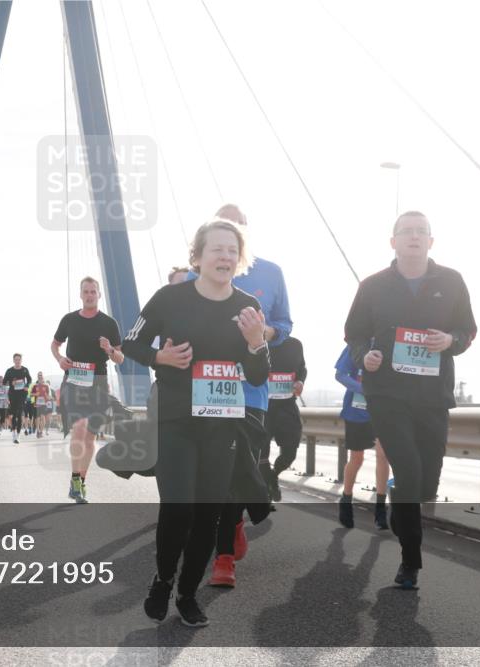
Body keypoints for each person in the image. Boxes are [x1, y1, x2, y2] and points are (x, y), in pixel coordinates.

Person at [123, 219, 270, 627]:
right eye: (216, 249)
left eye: (231, 250)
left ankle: (188, 593)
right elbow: (130, 342)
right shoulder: (169, 299)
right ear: (198, 256)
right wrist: (159, 358)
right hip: (176, 421)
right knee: (178, 507)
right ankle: (162, 579)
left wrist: (257, 344)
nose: (224, 256)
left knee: (209, 513)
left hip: (222, 426)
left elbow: (258, 376)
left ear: (239, 259)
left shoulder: (247, 308)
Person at [344, 211, 476, 590]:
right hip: (387, 394)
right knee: (410, 469)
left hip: (433, 396)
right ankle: (410, 561)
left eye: (421, 232)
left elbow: (468, 331)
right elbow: (354, 335)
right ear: (394, 242)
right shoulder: (373, 286)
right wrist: (363, 357)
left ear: (431, 241)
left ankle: (401, 513)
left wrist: (451, 341)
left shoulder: (452, 281)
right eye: (407, 232)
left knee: (425, 484)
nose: (414, 237)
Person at [202, 203, 292, 589]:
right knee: (215, 476)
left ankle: (224, 555)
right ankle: (226, 527)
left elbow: (285, 324)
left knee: (239, 470)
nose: (228, 242)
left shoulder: (270, 273)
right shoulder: (198, 274)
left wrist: (261, 334)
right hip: (207, 391)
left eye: (236, 230)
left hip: (252, 392)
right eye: (221, 231)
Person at [52, 277, 124, 504]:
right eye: (86, 291)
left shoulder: (109, 323)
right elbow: (55, 344)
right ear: (81, 294)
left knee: (91, 435)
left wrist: (110, 349)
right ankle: (75, 479)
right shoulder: (69, 320)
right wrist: (60, 359)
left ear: (99, 295)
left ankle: (81, 482)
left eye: (94, 291)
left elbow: (120, 359)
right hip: (73, 381)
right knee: (79, 427)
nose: (90, 295)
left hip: (98, 383)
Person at [334, 346, 390, 530]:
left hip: (382, 412)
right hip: (356, 411)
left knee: (383, 456)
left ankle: (381, 509)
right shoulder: (354, 345)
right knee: (357, 459)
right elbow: (340, 375)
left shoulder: (389, 343)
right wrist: (364, 388)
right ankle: (346, 498)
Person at [260, 335, 307, 504]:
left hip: (287, 406)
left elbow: (302, 368)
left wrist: (300, 381)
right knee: (261, 454)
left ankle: (273, 477)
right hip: (263, 407)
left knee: (290, 452)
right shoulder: (257, 342)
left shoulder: (295, 344)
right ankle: (265, 488)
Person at [3, 354, 31, 443]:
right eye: (16, 360)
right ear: (13, 360)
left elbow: (29, 379)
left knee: (19, 415)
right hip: (12, 395)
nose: (17, 361)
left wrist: (27, 385)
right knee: (14, 415)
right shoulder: (9, 371)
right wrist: (11, 383)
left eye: (19, 359)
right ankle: (14, 432)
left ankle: (18, 435)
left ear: (21, 360)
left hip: (22, 395)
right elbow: (4, 382)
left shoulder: (25, 370)